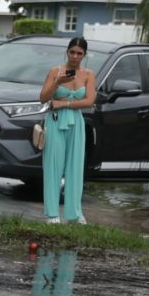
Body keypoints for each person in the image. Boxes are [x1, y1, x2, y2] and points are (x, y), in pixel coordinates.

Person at [36, 37, 95, 224]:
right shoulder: (56, 71)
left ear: (84, 55)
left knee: (75, 167)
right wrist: (57, 82)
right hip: (55, 122)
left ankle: (75, 213)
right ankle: (52, 214)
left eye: (79, 53)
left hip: (76, 123)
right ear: (67, 51)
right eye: (72, 52)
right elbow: (43, 98)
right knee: (53, 166)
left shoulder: (88, 74)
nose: (75, 56)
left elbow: (89, 101)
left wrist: (63, 104)